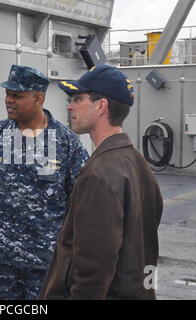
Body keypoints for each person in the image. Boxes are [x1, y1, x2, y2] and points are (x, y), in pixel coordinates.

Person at [0, 65, 89, 300]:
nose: (9, 100)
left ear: (39, 98)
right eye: (7, 94)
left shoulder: (66, 142)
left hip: (46, 260)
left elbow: (81, 202)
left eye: (17, 96)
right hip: (0, 259)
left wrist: (76, 251)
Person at [40, 64, 163, 300]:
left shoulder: (99, 174)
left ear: (101, 106)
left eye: (77, 98)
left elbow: (93, 271)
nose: (70, 105)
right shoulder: (138, 163)